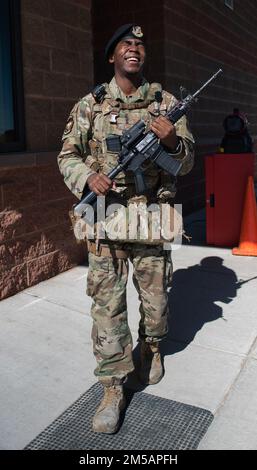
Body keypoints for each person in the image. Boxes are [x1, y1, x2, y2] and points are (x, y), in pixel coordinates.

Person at [57, 24, 194, 434]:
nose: (133, 50)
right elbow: (67, 154)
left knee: (156, 302)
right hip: (105, 219)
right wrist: (86, 178)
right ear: (112, 57)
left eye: (139, 45)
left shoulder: (165, 103)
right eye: (125, 46)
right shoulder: (91, 105)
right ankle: (112, 386)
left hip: (150, 219)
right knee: (107, 307)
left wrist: (172, 143)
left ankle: (151, 349)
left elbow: (186, 162)